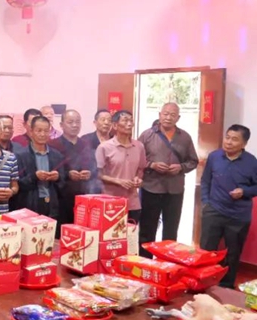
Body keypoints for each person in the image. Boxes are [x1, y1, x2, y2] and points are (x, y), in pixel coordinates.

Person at [200, 125, 257, 288]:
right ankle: (203, 283)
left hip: (238, 216)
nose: (229, 142)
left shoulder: (251, 162)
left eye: (235, 139)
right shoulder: (214, 156)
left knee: (233, 253)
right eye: (227, 137)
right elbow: (205, 181)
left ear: (244, 144)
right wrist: (206, 202)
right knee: (206, 250)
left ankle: (226, 286)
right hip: (214, 211)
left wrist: (244, 191)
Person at [138, 103, 199, 245]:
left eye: (172, 115)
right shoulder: (147, 135)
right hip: (151, 188)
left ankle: (167, 258)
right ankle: (145, 258)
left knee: (171, 230)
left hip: (175, 189)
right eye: (165, 114)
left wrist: (181, 167)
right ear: (159, 115)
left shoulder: (185, 137)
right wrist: (152, 165)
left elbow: (193, 161)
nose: (168, 118)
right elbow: (137, 159)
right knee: (147, 229)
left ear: (178, 118)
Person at [96, 110, 147, 231]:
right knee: (111, 236)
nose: (129, 124)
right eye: (125, 121)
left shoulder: (139, 146)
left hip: (132, 202)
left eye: (131, 121)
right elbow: (98, 174)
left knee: (130, 236)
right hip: (110, 202)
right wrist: (118, 181)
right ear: (114, 125)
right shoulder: (104, 147)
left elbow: (141, 169)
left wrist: (138, 179)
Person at [49, 109, 96, 227]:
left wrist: (90, 173)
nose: (75, 125)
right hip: (61, 198)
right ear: (61, 125)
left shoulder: (86, 144)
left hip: (83, 196)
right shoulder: (53, 144)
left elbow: (94, 167)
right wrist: (67, 174)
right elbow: (51, 169)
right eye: (70, 122)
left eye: (78, 122)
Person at [13, 116, 64, 218]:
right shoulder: (20, 155)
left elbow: (63, 183)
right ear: (31, 132)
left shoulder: (57, 155)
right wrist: (35, 177)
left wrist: (58, 177)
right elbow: (18, 184)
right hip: (29, 203)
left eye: (46, 131)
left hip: (52, 203)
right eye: (39, 131)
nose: (42, 134)